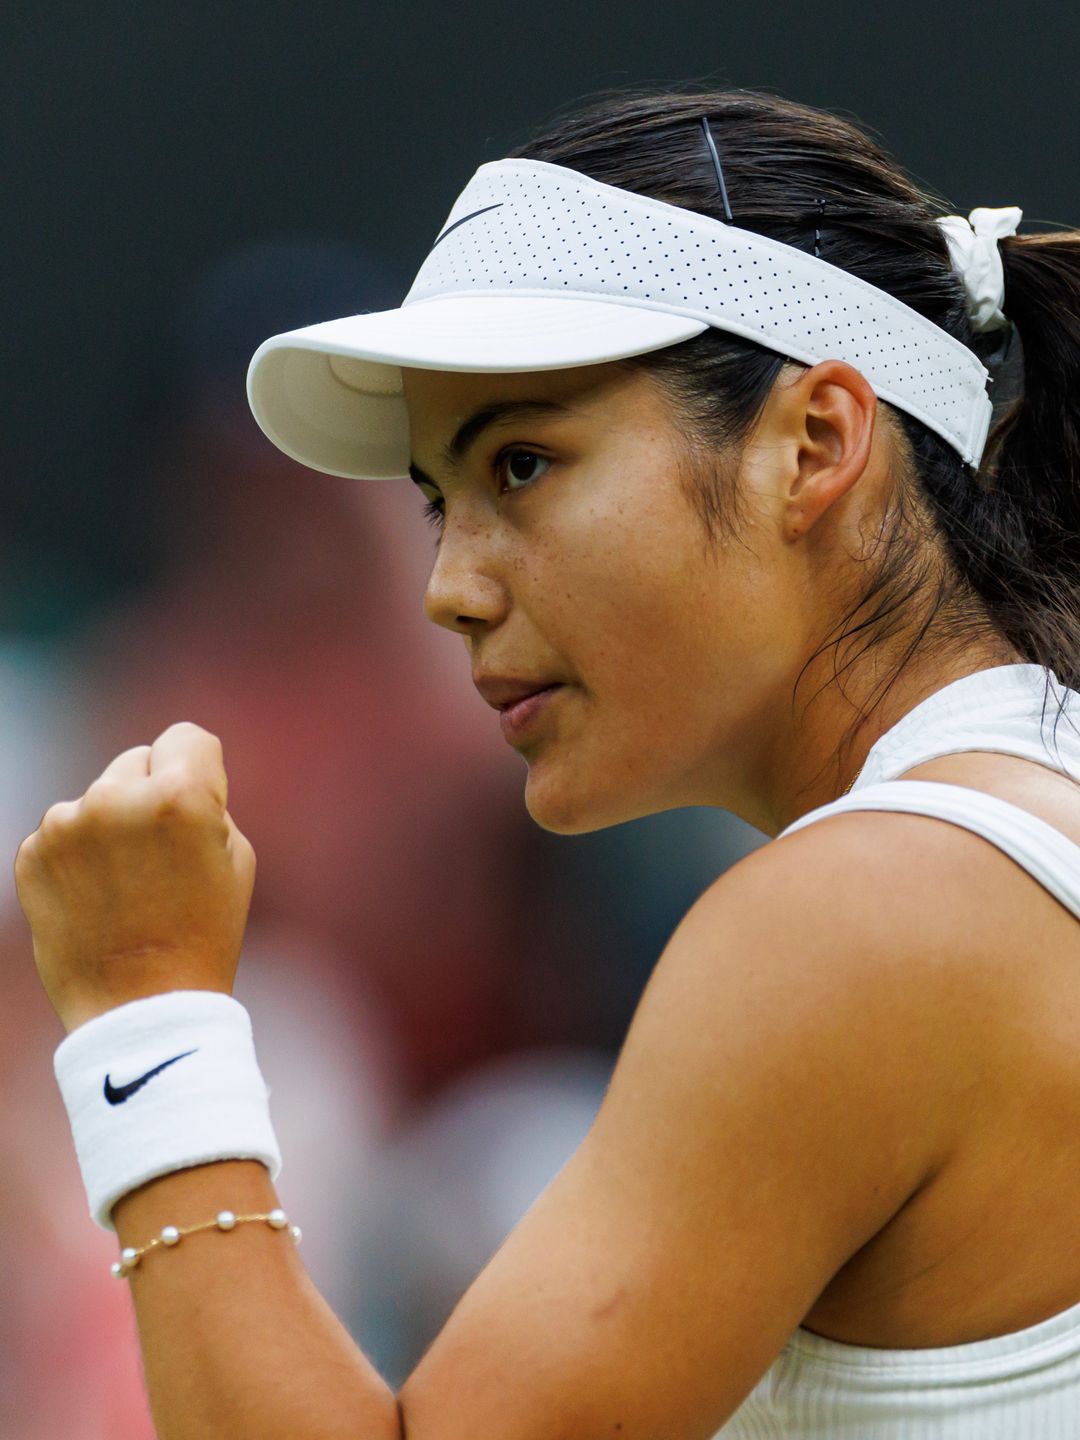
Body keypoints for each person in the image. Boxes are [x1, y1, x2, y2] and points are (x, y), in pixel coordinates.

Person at [14, 87, 1080, 1437]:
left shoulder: (868, 912)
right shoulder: (988, 843)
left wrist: (145, 1014)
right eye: (437, 505)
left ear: (815, 444)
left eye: (521, 464)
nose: (447, 590)